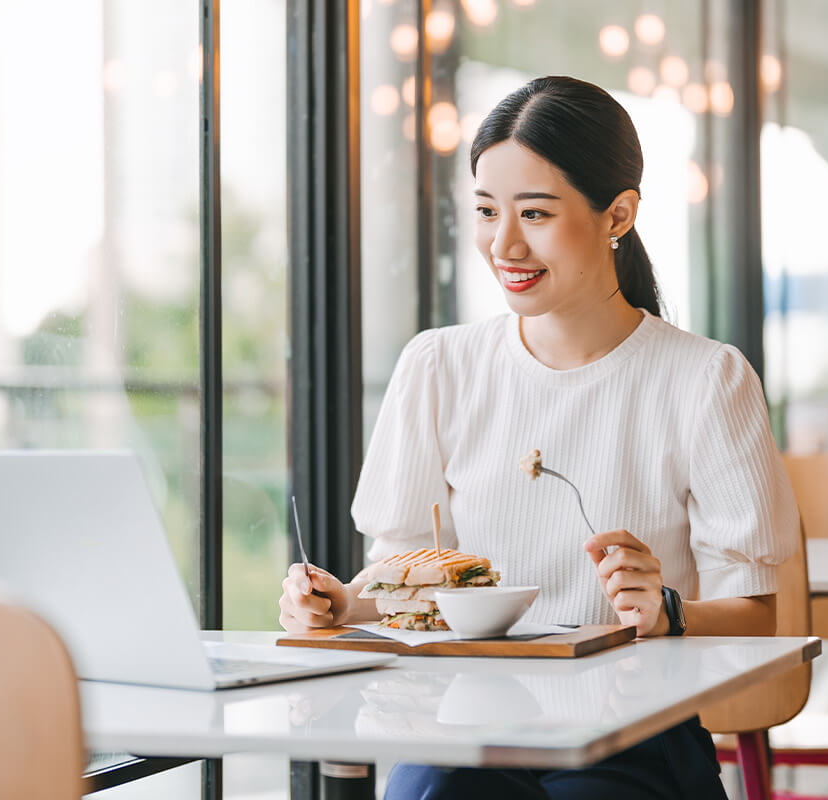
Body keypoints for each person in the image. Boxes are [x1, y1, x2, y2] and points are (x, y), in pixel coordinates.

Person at [277, 75, 800, 800]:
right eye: (488, 211)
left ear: (618, 214)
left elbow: (761, 619)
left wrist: (669, 611)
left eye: (536, 214)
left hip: (635, 738)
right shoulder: (439, 366)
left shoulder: (706, 380)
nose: (504, 243)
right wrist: (342, 605)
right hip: (464, 726)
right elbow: (404, 583)